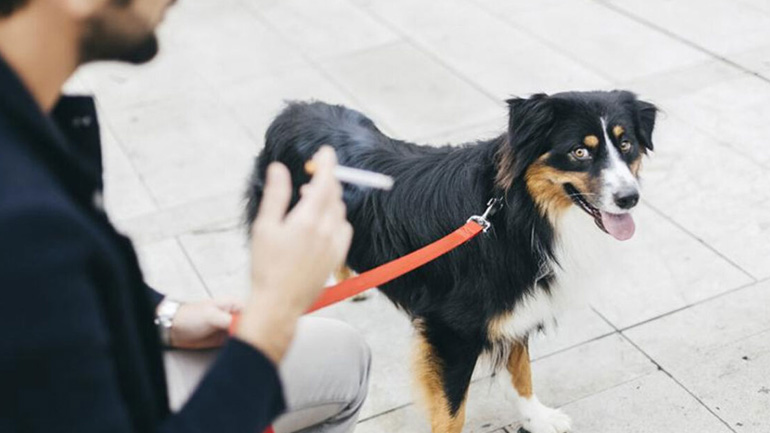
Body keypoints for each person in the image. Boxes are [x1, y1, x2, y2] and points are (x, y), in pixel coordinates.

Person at [0, 0, 371, 432]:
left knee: (342, 354)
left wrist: (163, 315)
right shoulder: (24, 226)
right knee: (343, 362)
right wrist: (273, 313)